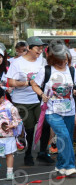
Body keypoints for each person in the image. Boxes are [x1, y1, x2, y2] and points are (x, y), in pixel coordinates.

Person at [30, 43, 76, 176]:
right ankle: (70, 166)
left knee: (67, 138)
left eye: (66, 59)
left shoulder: (72, 70)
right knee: (63, 135)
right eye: (60, 60)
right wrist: (42, 94)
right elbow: (34, 84)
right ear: (53, 59)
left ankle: (60, 165)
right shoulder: (46, 70)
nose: (64, 62)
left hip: (69, 110)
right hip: (51, 111)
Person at [7, 36, 52, 166]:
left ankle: (43, 153)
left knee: (46, 124)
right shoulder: (18, 63)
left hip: (39, 99)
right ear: (28, 48)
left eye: (42, 48)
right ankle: (28, 154)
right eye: (38, 48)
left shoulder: (43, 61)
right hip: (22, 101)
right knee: (30, 129)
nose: (40, 51)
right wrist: (27, 83)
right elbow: (10, 82)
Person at [0, 86, 22, 180]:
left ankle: (9, 172)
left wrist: (12, 125)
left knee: (9, 154)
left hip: (8, 136)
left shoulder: (10, 107)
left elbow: (18, 120)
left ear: (2, 97)